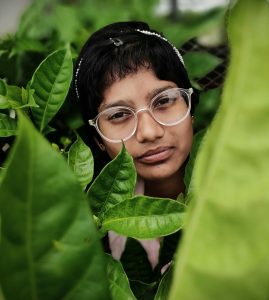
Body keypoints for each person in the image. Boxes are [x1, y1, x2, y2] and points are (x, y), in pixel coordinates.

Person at [73, 21, 197, 285]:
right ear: (98, 140)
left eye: (164, 101)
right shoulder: (91, 235)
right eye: (118, 115)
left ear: (190, 108)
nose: (149, 132)